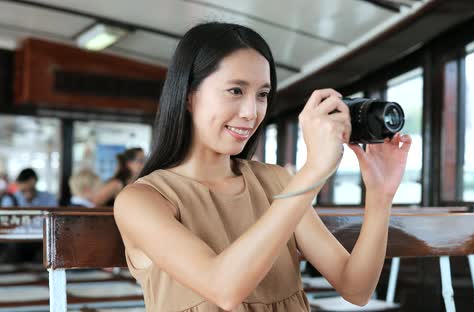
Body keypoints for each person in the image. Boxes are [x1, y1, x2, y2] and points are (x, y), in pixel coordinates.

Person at [114, 22, 411, 312]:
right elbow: (224, 289)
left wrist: (380, 194)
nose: (251, 112)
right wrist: (313, 170)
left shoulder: (275, 181)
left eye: (262, 94)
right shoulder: (140, 201)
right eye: (235, 91)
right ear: (189, 96)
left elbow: (356, 289)